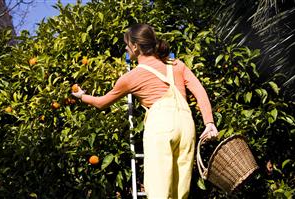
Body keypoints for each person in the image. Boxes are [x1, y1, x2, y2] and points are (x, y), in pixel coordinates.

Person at [72, 23, 218, 199]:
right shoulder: (177, 65)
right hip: (187, 127)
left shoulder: (131, 77)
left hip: (161, 127)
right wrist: (209, 122)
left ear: (135, 46)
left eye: (127, 44)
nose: (126, 47)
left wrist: (81, 96)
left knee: (159, 190)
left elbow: (102, 103)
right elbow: (199, 90)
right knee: (180, 191)